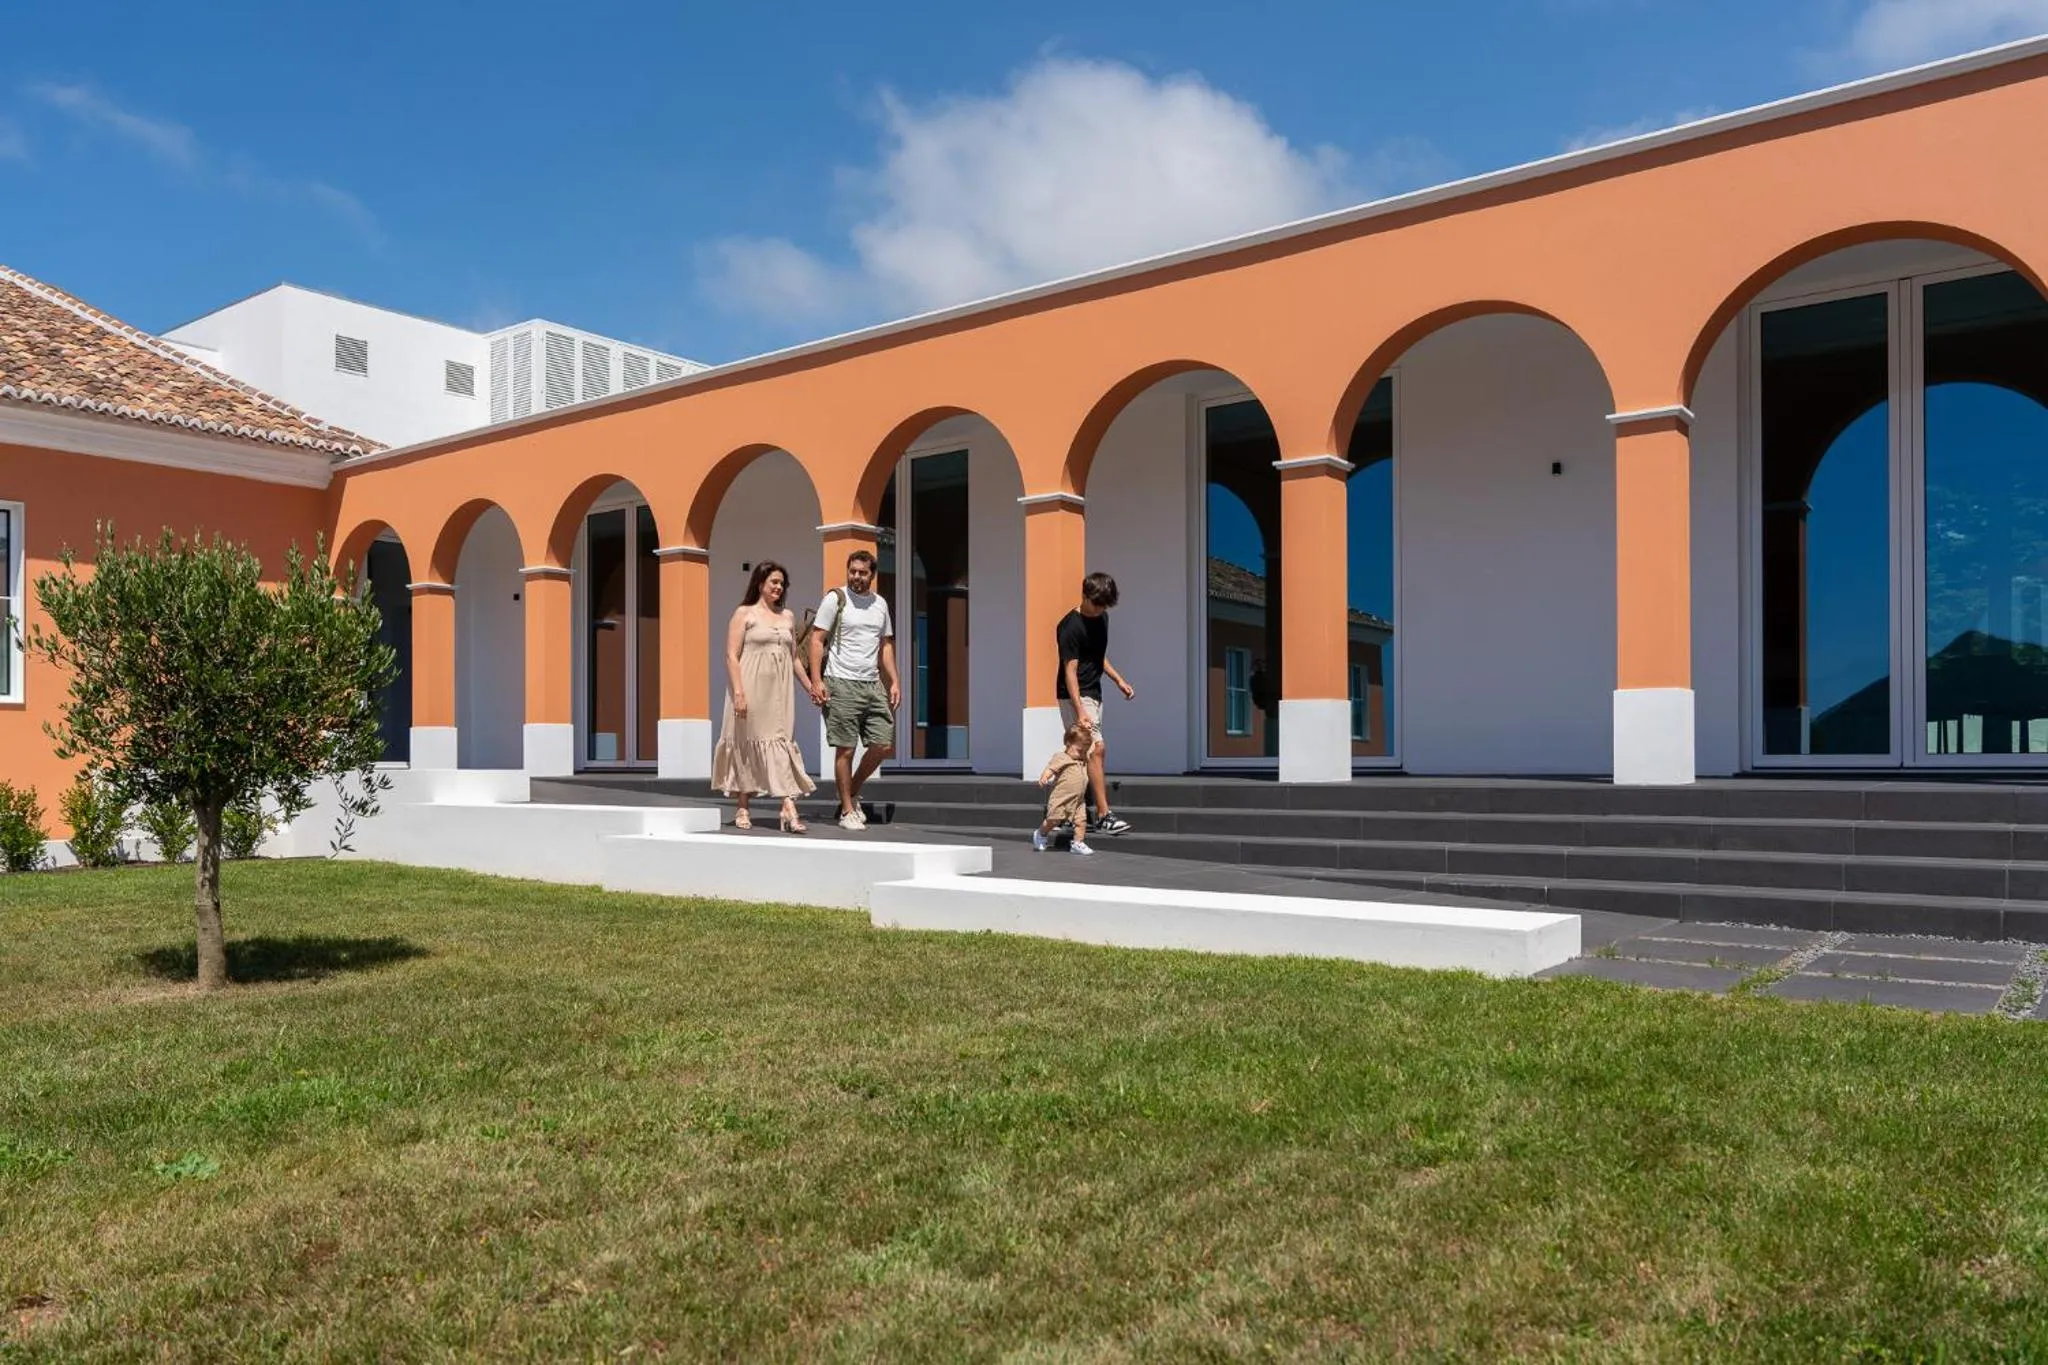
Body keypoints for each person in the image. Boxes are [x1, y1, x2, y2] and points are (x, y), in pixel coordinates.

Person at [712, 561, 818, 833]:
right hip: (749, 688)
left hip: (779, 695)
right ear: (760, 584)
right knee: (746, 743)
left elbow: (794, 658)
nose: (779, 587)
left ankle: (787, 805)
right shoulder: (744, 614)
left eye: (782, 583)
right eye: (774, 582)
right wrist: (738, 692)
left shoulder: (788, 617)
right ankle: (743, 806)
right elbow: (731, 656)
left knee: (780, 743)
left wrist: (810, 686)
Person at [809, 548, 899, 830]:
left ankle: (850, 790)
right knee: (845, 749)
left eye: (862, 572)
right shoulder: (835, 599)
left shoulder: (880, 604)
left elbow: (885, 645)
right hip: (840, 681)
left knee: (883, 744)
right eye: (853, 571)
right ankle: (848, 810)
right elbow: (816, 640)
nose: (856, 577)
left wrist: (894, 680)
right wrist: (816, 680)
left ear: (872, 575)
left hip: (872, 683)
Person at [1056, 571, 1134, 836]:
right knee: (1095, 749)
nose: (1100, 609)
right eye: (1097, 604)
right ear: (1085, 595)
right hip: (1074, 695)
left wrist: (1119, 680)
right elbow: (1070, 670)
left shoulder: (1103, 618)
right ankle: (1103, 814)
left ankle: (1067, 812)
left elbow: (1098, 657)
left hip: (1095, 693)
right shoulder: (1069, 626)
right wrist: (1079, 710)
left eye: (1104, 605)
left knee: (1082, 755)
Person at [1032, 723, 1096, 855]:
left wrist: (1089, 731)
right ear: (1068, 743)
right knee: (1054, 820)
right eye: (1079, 750)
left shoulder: (1082, 758)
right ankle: (1041, 833)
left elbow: (1091, 747)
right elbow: (1051, 768)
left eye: (1084, 751)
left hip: (1078, 799)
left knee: (1081, 821)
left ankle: (1078, 843)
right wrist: (1044, 777)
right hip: (1061, 797)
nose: (1081, 753)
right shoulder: (1061, 757)